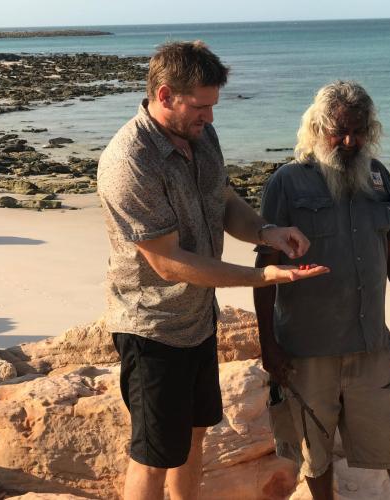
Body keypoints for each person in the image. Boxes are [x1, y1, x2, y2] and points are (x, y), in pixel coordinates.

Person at [97, 40, 328, 500]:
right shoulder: (129, 161)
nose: (211, 117)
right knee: (153, 456)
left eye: (213, 105)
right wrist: (261, 278)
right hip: (152, 329)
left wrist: (268, 232)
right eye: (201, 106)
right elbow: (166, 263)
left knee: (195, 434)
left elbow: (221, 201)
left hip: (200, 321)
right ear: (164, 96)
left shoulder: (200, 136)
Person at [253, 81, 390, 500]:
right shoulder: (287, 183)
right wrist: (267, 342)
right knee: (316, 453)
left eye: (359, 130)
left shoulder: (379, 178)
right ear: (317, 128)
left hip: (371, 344)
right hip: (308, 350)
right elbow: (264, 268)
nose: (350, 141)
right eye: (339, 131)